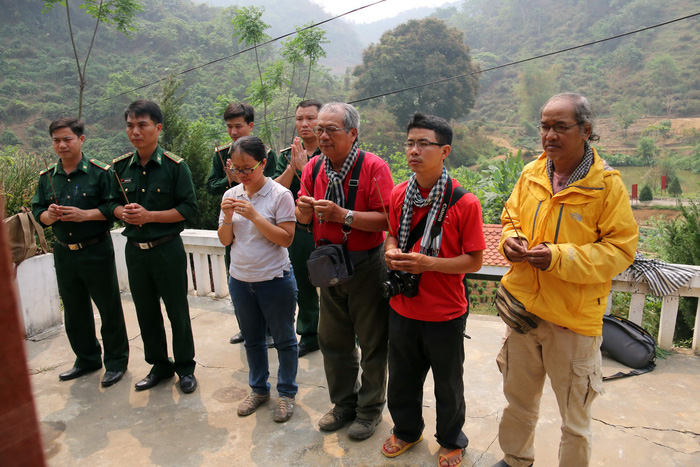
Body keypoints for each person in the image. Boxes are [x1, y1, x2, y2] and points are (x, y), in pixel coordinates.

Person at [495, 93, 638, 467]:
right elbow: (510, 217)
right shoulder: (531, 173)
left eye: (561, 126)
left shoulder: (606, 186)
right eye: (544, 126)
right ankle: (515, 459)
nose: (549, 135)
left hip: (573, 323)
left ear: (586, 131)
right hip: (525, 312)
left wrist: (559, 257)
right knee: (519, 402)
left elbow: (620, 251)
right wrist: (510, 240)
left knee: (574, 419)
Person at [380, 113, 485, 467]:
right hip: (402, 305)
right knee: (403, 378)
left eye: (424, 143)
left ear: (445, 151)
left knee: (448, 384)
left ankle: (451, 439)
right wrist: (391, 250)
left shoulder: (463, 202)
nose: (414, 150)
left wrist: (429, 265)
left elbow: (473, 260)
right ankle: (407, 430)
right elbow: (392, 233)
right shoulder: (398, 194)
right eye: (410, 142)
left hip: (445, 310)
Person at [296, 102, 394, 441]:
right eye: (319, 129)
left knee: (371, 341)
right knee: (332, 339)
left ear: (353, 133)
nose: (322, 135)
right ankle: (343, 405)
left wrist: (344, 215)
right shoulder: (313, 168)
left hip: (366, 264)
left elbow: (387, 220)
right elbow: (302, 218)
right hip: (328, 263)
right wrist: (303, 210)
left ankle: (369, 411)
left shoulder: (373, 167)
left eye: (330, 129)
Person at [32, 117, 129, 387]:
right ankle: (86, 359)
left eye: (67, 139)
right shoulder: (47, 177)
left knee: (108, 307)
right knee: (74, 310)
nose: (62, 145)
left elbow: (113, 208)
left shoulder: (100, 173)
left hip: (95, 248)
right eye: (56, 140)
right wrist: (49, 216)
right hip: (64, 252)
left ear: (81, 139)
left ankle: (116, 361)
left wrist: (84, 214)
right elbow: (38, 211)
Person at [110, 99, 198, 394]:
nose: (135, 131)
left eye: (142, 125)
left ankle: (185, 367)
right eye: (130, 125)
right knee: (146, 312)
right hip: (136, 252)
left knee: (177, 310)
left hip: (167, 249)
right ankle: (159, 365)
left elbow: (188, 208)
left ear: (158, 128)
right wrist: (121, 213)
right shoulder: (120, 167)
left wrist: (149, 216)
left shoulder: (175, 166)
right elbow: (110, 203)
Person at [217, 136, 299, 423]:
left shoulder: (279, 195)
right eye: (236, 169)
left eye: (247, 168)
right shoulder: (231, 195)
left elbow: (286, 239)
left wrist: (254, 216)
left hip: (275, 279)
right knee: (253, 340)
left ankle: (286, 393)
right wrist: (228, 218)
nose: (242, 175)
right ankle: (258, 389)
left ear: (263, 163)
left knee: (285, 339)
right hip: (240, 280)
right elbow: (226, 239)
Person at [205, 102, 277, 345]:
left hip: (263, 223)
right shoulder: (221, 155)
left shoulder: (266, 154)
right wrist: (230, 180)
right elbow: (210, 186)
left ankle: (268, 330)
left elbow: (273, 184)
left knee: (267, 280)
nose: (233, 132)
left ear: (250, 125)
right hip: (234, 223)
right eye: (229, 127)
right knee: (237, 277)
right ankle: (246, 327)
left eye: (238, 126)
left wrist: (244, 178)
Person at [274, 99, 323, 357]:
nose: (304, 124)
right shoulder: (287, 155)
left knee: (334, 286)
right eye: (299, 119)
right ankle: (310, 334)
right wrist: (293, 167)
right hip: (298, 232)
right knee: (302, 285)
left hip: (325, 230)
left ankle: (346, 334)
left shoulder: (331, 154)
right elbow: (276, 190)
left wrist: (307, 170)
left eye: (311, 118)